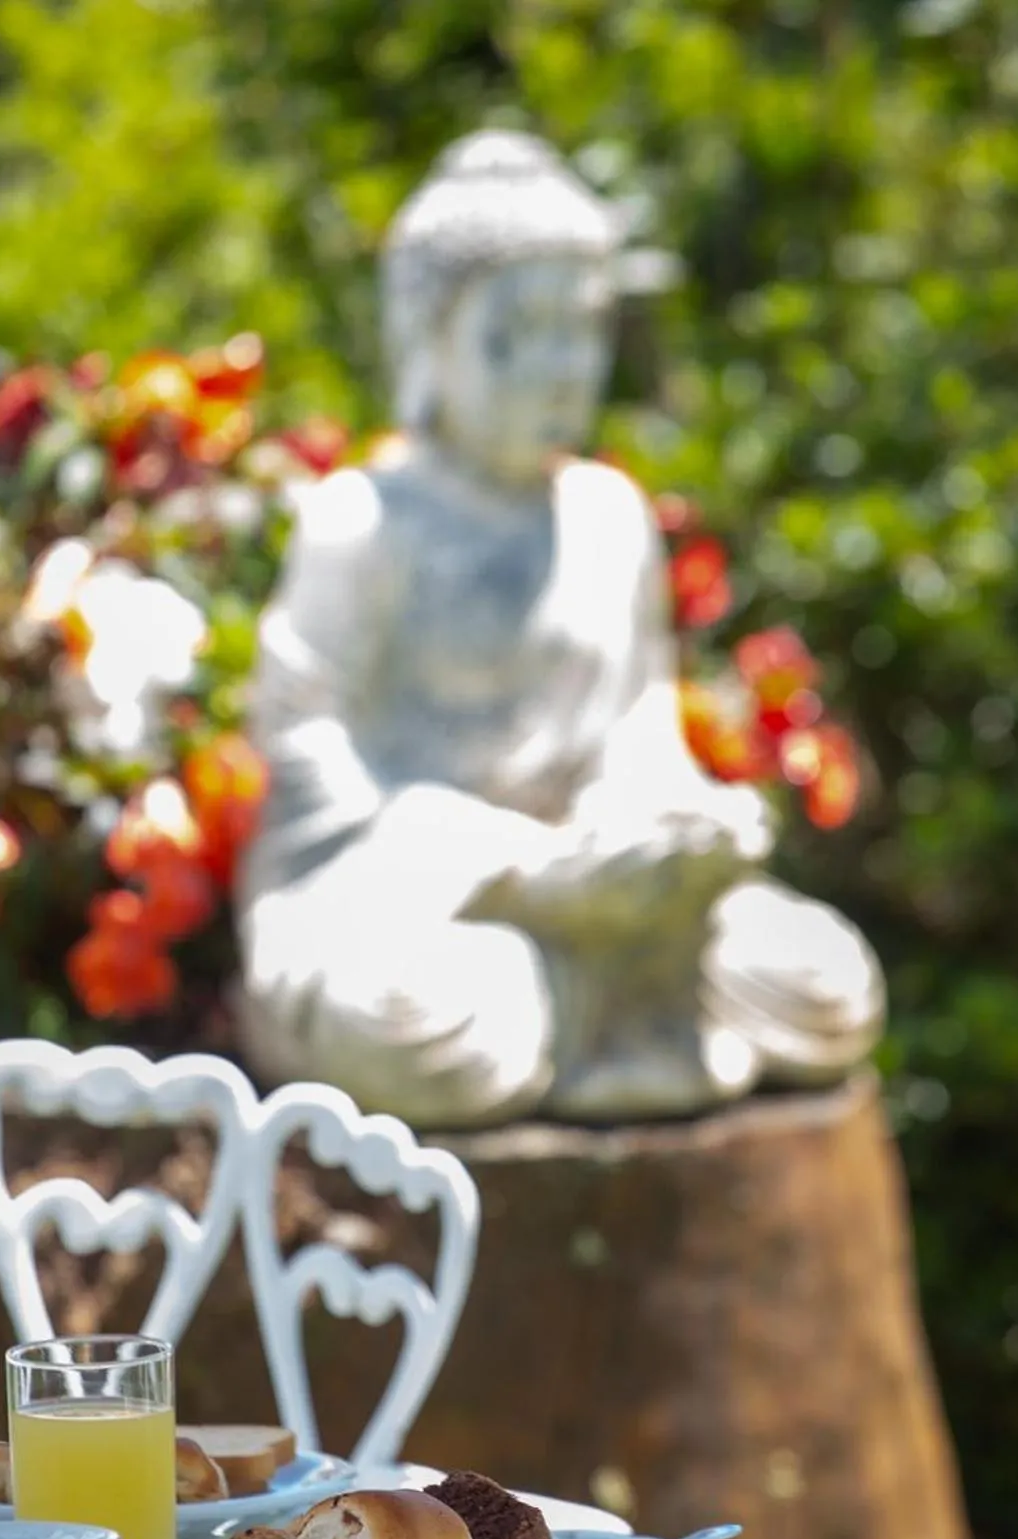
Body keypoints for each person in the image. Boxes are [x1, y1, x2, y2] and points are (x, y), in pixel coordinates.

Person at [238, 131, 883, 1127]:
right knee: (414, 1018)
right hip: (423, 897)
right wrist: (495, 857)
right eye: (517, 331)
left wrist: (679, 820)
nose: (557, 366)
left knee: (828, 985)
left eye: (579, 330)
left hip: (602, 893)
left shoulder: (608, 514)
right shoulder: (364, 520)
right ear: (428, 340)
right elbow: (308, 756)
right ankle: (594, 1011)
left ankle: (587, 1004)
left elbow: (636, 727)